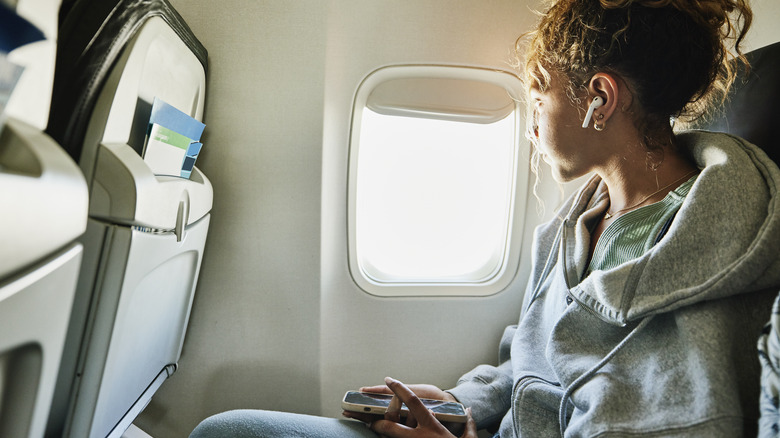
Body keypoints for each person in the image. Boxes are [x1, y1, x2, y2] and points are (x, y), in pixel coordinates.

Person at [190, 0, 780, 436]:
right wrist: (459, 404)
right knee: (229, 430)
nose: (532, 122)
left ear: (600, 98)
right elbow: (525, 361)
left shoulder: (712, 242)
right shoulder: (571, 227)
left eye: (540, 94)